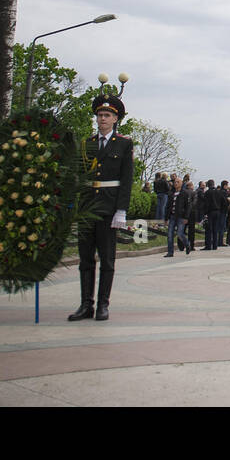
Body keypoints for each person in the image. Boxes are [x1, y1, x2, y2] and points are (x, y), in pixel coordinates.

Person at [70, 91, 135, 322]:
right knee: (85, 259)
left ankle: (102, 305)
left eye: (107, 115)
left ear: (115, 119)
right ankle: (86, 304)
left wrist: (121, 210)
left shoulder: (124, 144)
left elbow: (126, 179)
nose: (102, 119)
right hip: (88, 208)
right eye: (99, 115)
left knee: (107, 260)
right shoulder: (87, 143)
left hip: (109, 209)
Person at [163, 174, 189, 257]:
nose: (176, 183)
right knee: (170, 234)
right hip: (172, 216)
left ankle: (187, 244)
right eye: (175, 182)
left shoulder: (184, 193)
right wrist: (166, 218)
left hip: (181, 216)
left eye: (178, 182)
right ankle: (170, 252)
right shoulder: (171, 193)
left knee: (180, 233)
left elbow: (188, 206)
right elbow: (168, 206)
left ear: (181, 183)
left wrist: (186, 217)